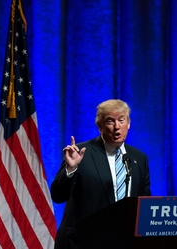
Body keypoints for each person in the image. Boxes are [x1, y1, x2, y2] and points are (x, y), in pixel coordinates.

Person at [51, 99, 151, 248]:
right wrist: (70, 170)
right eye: (110, 121)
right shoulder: (80, 153)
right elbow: (58, 196)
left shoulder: (139, 158)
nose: (117, 127)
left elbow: (144, 202)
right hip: (83, 242)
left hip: (123, 241)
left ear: (128, 123)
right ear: (100, 127)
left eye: (121, 120)